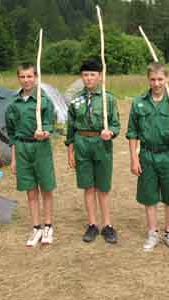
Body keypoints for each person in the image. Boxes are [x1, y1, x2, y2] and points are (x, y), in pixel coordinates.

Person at [126, 62, 169, 251]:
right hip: (147, 155)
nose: (157, 83)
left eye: (160, 79)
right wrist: (134, 159)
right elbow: (132, 133)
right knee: (149, 196)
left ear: (167, 79)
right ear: (148, 80)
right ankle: (152, 233)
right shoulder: (139, 102)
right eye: (153, 79)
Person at [65, 59, 120, 244]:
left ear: (100, 76)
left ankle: (107, 226)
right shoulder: (75, 100)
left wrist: (110, 132)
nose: (89, 78)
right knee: (88, 187)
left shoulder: (108, 99)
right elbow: (70, 128)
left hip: (102, 145)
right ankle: (92, 225)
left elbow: (115, 124)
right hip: (82, 144)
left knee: (103, 187)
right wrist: (70, 151)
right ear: (81, 77)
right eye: (85, 75)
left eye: (92, 74)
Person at [5, 62, 56, 247]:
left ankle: (48, 226)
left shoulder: (44, 100)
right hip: (22, 149)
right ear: (18, 78)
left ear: (35, 77)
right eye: (22, 77)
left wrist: (45, 133)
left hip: (40, 148)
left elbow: (51, 124)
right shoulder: (13, 104)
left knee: (46, 188)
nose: (26, 80)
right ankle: (36, 227)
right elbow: (11, 134)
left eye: (29, 76)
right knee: (30, 190)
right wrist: (13, 159)